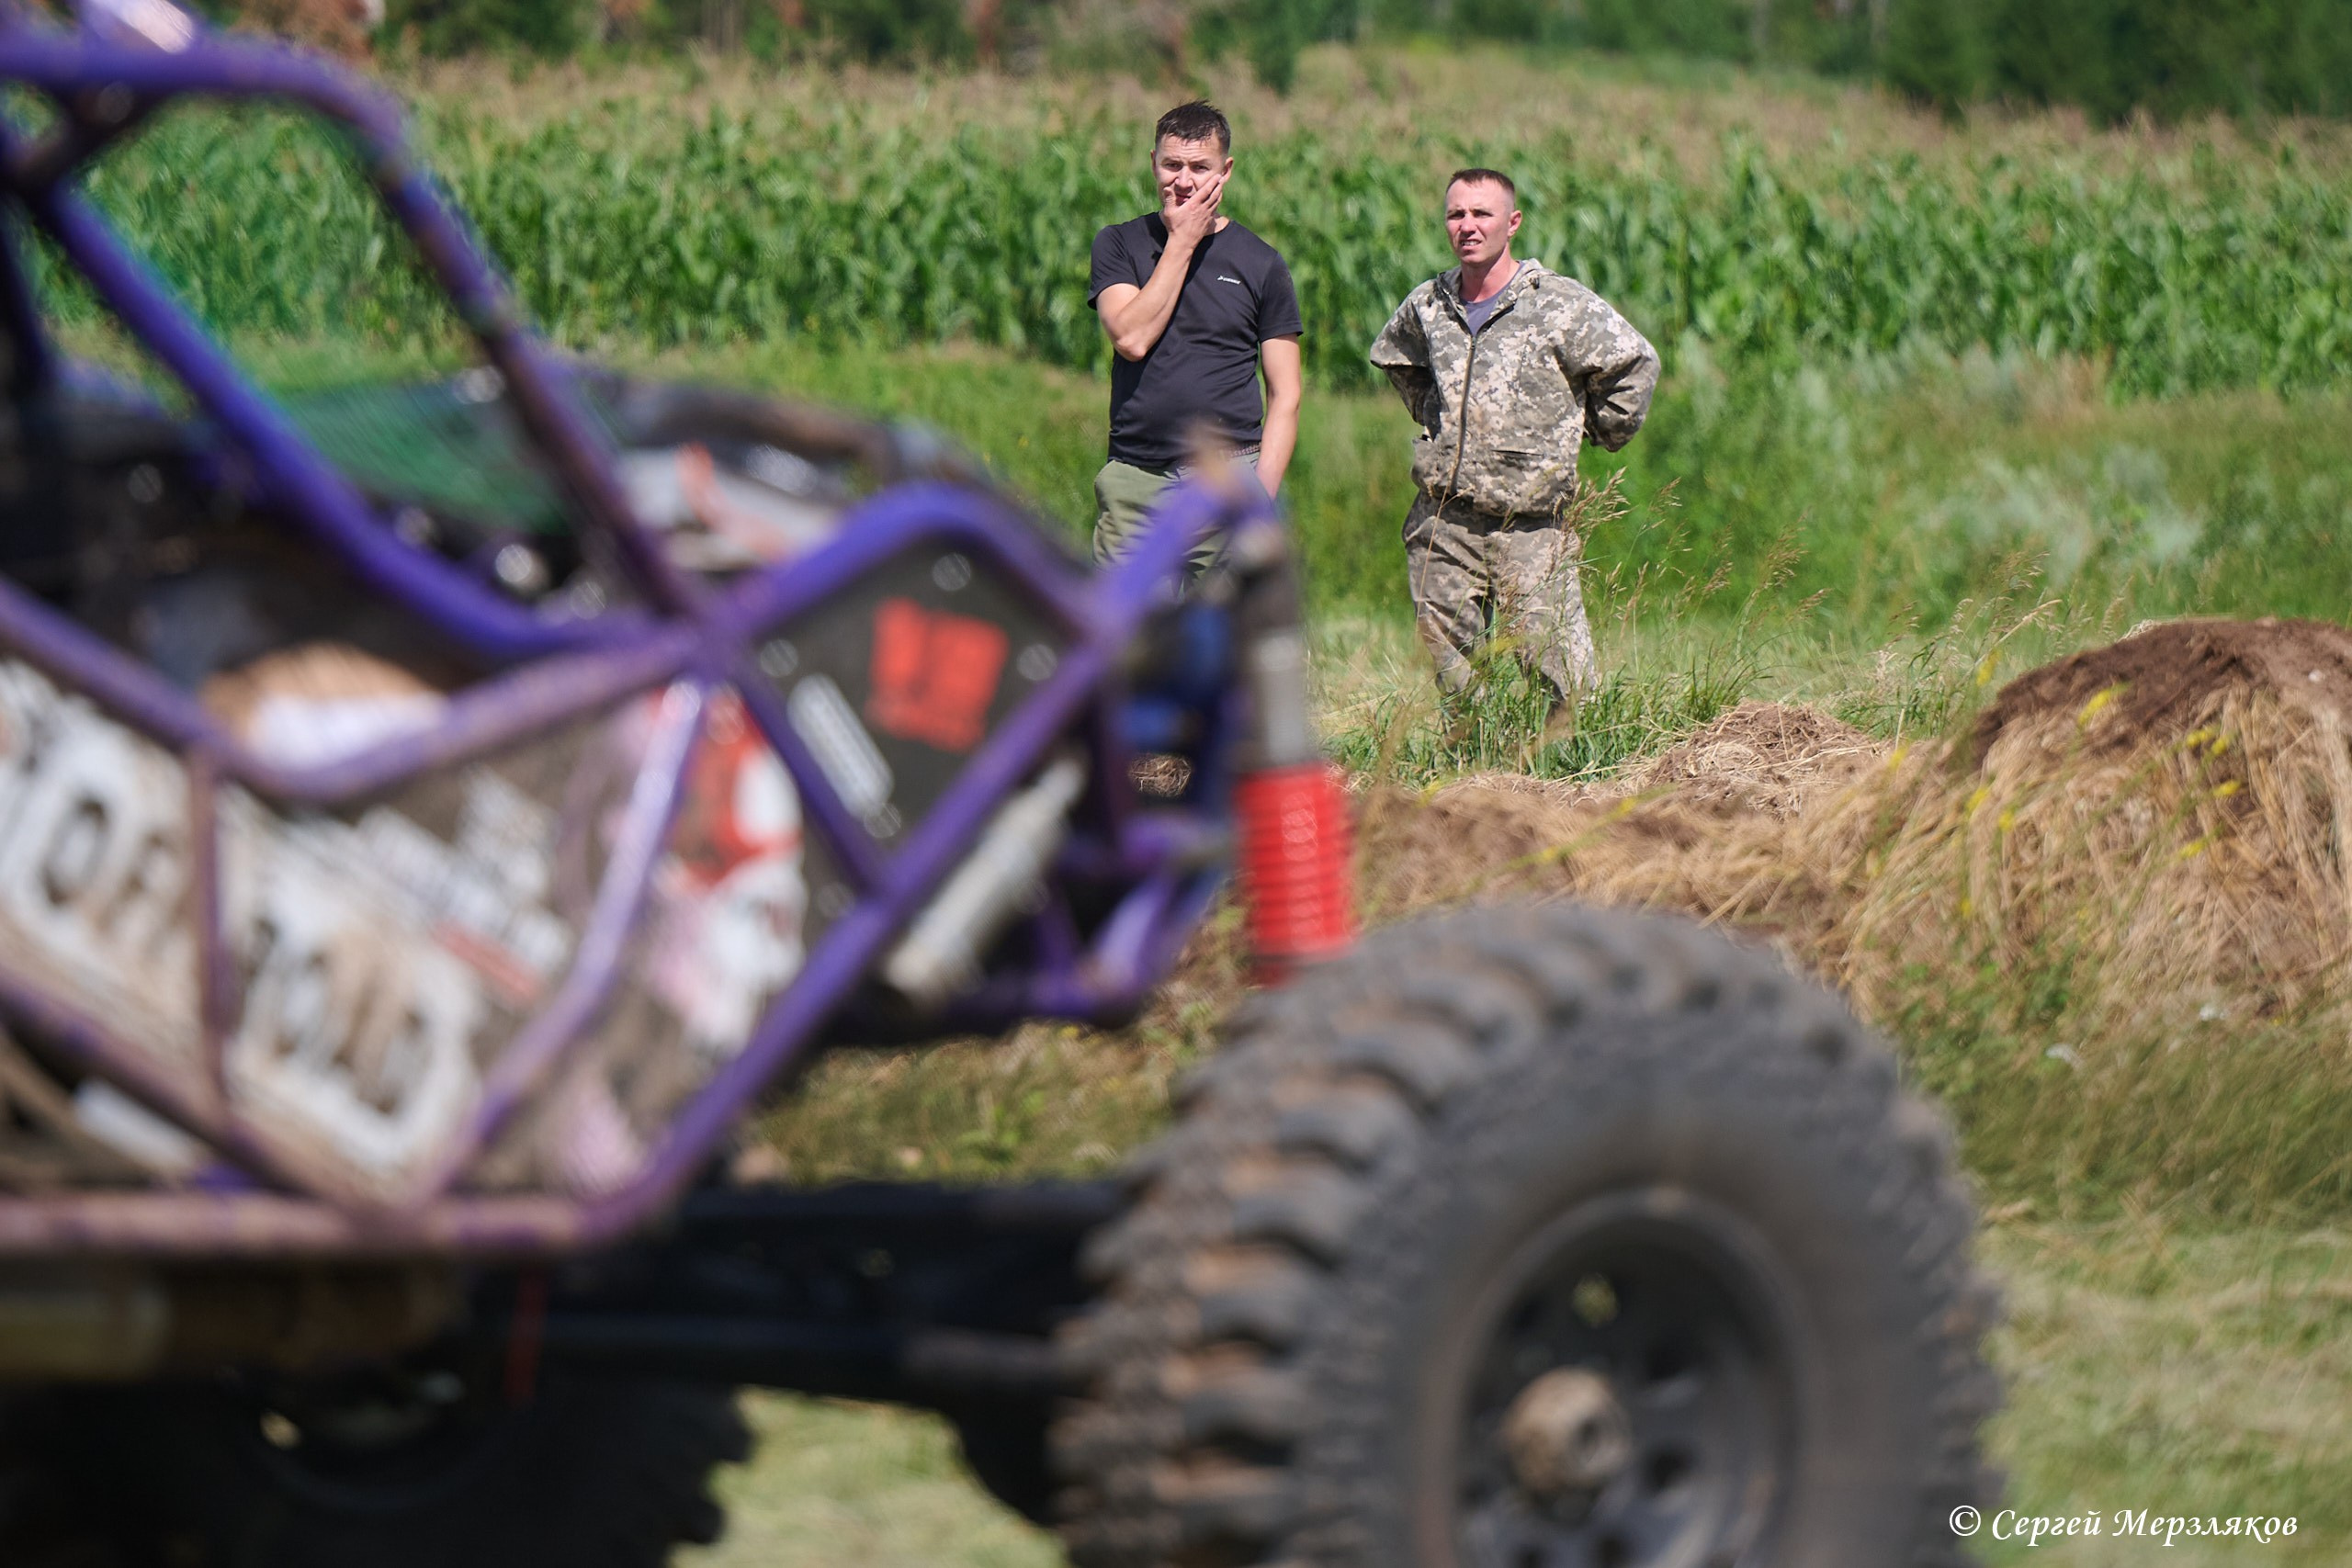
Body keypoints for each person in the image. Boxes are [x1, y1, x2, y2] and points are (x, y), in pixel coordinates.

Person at [1369, 167, 1658, 713]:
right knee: (1456, 680)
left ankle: (1578, 779)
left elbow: (1635, 364)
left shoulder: (1558, 304)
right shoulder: (1428, 305)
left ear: (1513, 222)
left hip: (1532, 526)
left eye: (1482, 214)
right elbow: (1397, 359)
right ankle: (1473, 779)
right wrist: (1438, 421)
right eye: (1457, 214)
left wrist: (1594, 430)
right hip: (1443, 522)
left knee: (1565, 684)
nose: (1468, 226)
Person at [1088, 100, 1303, 568]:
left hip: (1228, 482)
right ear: (1153, 163)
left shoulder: (1261, 263)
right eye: (1171, 165)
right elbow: (1130, 338)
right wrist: (1183, 241)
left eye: (1199, 168)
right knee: (1128, 637)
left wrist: (1260, 496)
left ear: (1225, 171)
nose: (1183, 181)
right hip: (1135, 483)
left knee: (1226, 639)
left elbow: (1286, 394)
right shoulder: (1119, 244)